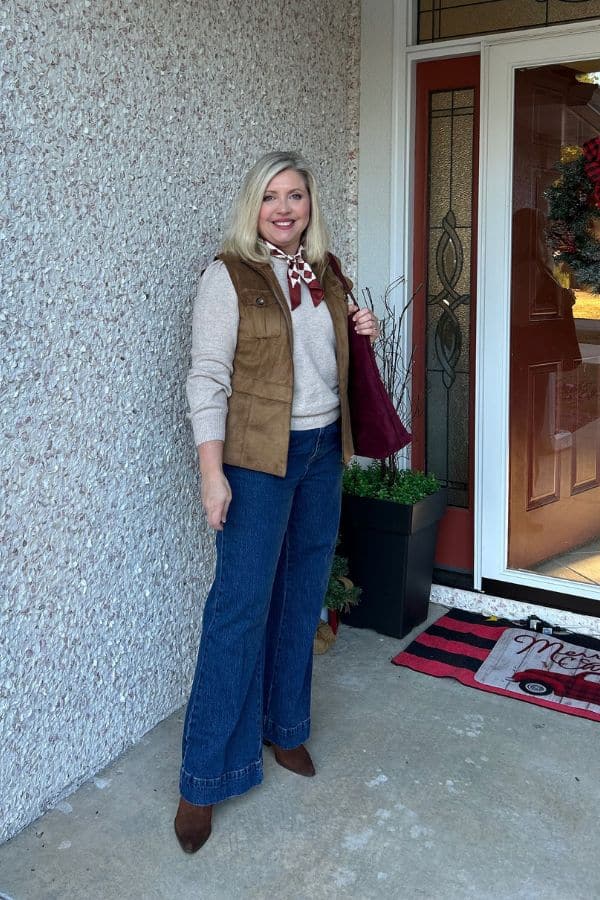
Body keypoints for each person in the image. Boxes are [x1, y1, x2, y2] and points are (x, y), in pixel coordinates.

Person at [175, 150, 378, 853]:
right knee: (237, 610)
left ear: (310, 205)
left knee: (300, 597)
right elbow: (207, 379)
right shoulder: (226, 278)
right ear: (252, 207)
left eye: (296, 195)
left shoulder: (325, 276)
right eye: (271, 197)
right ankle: (203, 779)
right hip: (258, 464)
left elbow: (328, 369)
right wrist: (212, 473)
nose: (285, 208)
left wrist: (362, 335)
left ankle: (285, 731)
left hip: (322, 454)